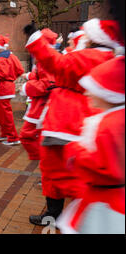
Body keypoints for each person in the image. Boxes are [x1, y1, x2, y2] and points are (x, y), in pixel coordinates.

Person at [24, 19, 121, 226]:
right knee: (70, 170)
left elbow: (56, 63)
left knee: (53, 171)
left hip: (64, 120)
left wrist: (35, 39)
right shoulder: (109, 58)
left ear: (94, 39)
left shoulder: (88, 55)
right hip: (82, 119)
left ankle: (57, 215)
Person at [57, 55, 125, 234]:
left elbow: (105, 167)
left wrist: (74, 150)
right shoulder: (112, 119)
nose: (87, 93)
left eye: (93, 88)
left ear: (107, 93)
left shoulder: (110, 125)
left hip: (106, 201)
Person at [19, 29, 57, 161]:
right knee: (36, 137)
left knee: (27, 136)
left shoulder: (48, 60)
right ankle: (46, 166)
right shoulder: (44, 60)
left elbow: (48, 83)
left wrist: (26, 87)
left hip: (43, 105)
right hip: (40, 104)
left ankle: (47, 164)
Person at [0, 35, 24, 146]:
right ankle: (5, 133)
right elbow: (20, 70)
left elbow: (2, 73)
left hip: (3, 88)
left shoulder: (2, 58)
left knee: (5, 114)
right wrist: (12, 78)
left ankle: (12, 137)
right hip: (7, 86)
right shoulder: (12, 56)